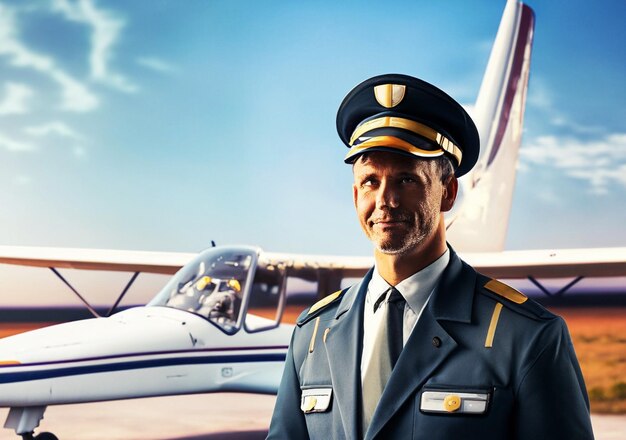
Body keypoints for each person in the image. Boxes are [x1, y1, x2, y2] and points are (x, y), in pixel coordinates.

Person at [267, 74, 594, 439]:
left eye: (407, 179)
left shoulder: (526, 337)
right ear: (355, 195)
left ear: (448, 193)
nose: (385, 201)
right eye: (371, 181)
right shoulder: (313, 333)